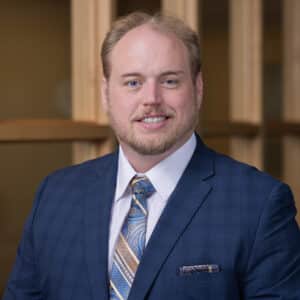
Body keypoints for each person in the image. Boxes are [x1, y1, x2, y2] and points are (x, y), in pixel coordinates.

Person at [3, 12, 300, 300]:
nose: (151, 99)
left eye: (170, 81)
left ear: (197, 89)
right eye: (133, 82)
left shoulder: (259, 204)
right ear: (106, 94)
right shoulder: (54, 196)